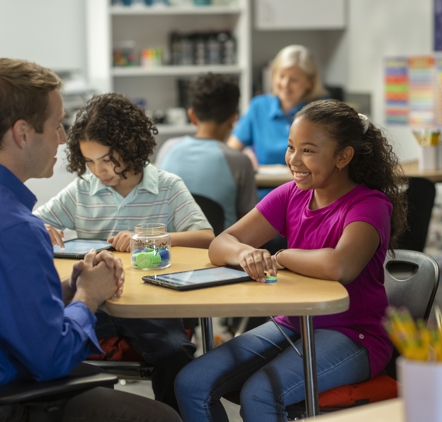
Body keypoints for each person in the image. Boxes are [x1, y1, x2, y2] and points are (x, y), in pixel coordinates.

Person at [174, 99, 408, 422]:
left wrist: (282, 256)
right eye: (290, 147)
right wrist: (246, 253)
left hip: (355, 336)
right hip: (293, 323)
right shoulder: (291, 195)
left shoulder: (370, 205)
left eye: (308, 150)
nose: (293, 160)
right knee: (191, 383)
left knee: (260, 395)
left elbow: (341, 266)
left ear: (344, 156)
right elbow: (220, 244)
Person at [0, 58, 181, 422]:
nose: (63, 137)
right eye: (56, 125)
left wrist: (69, 287)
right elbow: (51, 358)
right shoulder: (17, 228)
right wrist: (89, 296)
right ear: (22, 134)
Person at [33, 92, 214, 412]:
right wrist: (39, 228)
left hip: (152, 303)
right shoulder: (82, 190)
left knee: (175, 353)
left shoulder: (167, 186)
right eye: (89, 161)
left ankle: (172, 416)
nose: (98, 170)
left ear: (130, 145)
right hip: (98, 302)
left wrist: (149, 241)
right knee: (44, 343)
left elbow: (206, 238)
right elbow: (35, 221)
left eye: (106, 159)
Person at [156, 72, 258, 230]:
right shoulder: (239, 162)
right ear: (233, 119)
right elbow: (249, 225)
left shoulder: (168, 148)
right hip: (220, 252)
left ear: (192, 116)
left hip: (171, 250)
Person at [227, 44, 327, 171]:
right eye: (281, 76)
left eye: (294, 80)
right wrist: (245, 155)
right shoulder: (259, 106)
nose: (285, 84)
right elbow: (231, 150)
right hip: (265, 188)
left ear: (310, 82)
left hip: (308, 188)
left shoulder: (323, 110)